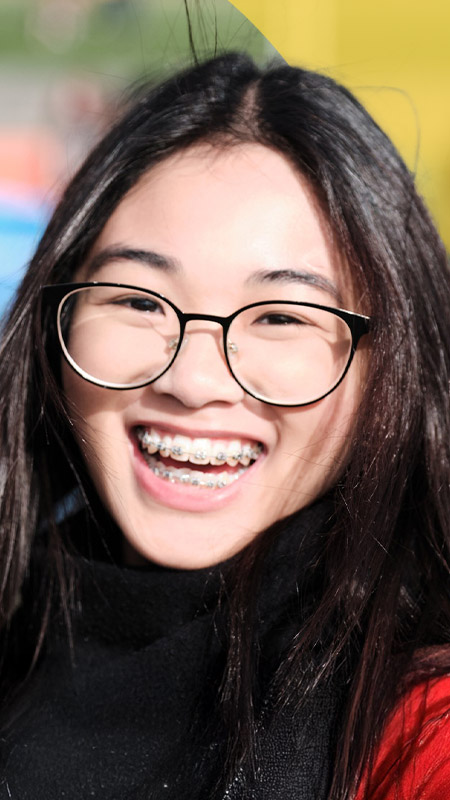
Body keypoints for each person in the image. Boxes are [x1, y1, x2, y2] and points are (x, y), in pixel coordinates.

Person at [0, 51, 449, 800]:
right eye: (139, 301)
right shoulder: (21, 622)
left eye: (280, 316)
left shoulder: (418, 735)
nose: (192, 381)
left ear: (394, 364)